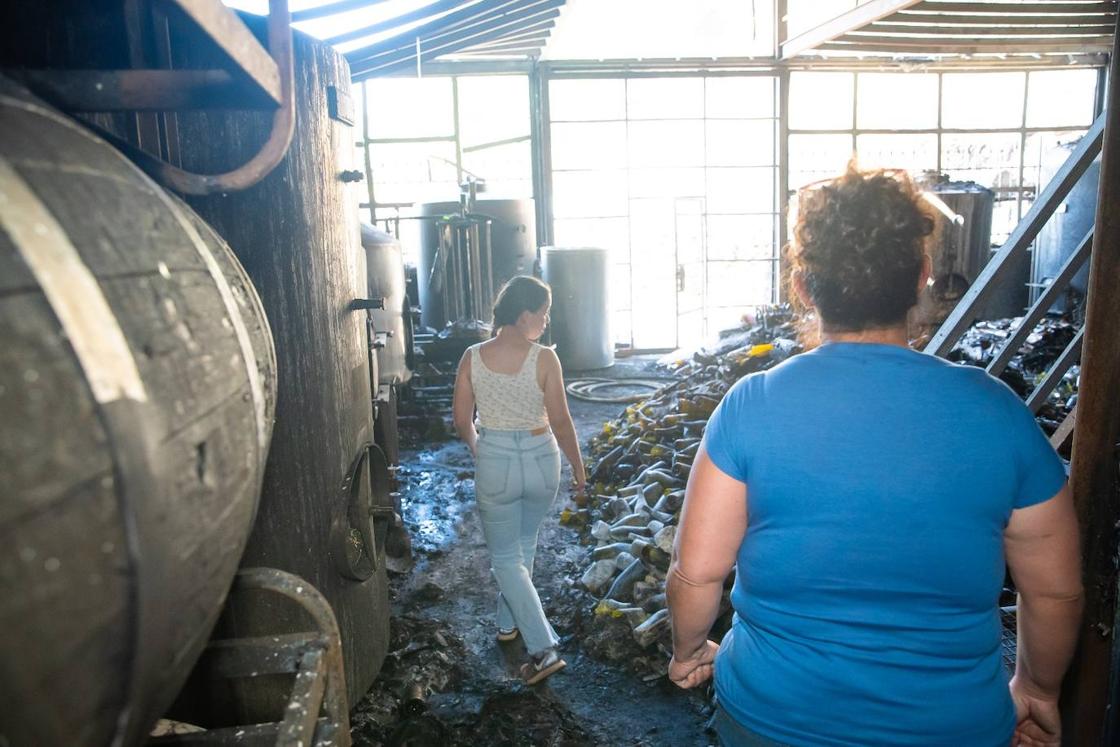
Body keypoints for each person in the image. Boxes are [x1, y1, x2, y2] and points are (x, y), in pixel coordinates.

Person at [666, 165, 1083, 746]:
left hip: (775, 719)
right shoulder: (999, 414)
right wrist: (1037, 691)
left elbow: (697, 572)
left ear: (806, 288)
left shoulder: (750, 407)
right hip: (954, 726)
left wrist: (689, 650)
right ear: (922, 278)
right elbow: (1054, 591)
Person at [452, 275, 587, 685]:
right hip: (542, 458)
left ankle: (541, 649)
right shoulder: (545, 358)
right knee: (522, 546)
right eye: (543, 314)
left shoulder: (472, 356)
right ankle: (510, 627)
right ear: (525, 314)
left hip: (496, 458)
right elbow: (561, 422)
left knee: (507, 558)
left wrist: (482, 449)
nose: (545, 322)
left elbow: (461, 421)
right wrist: (579, 470)